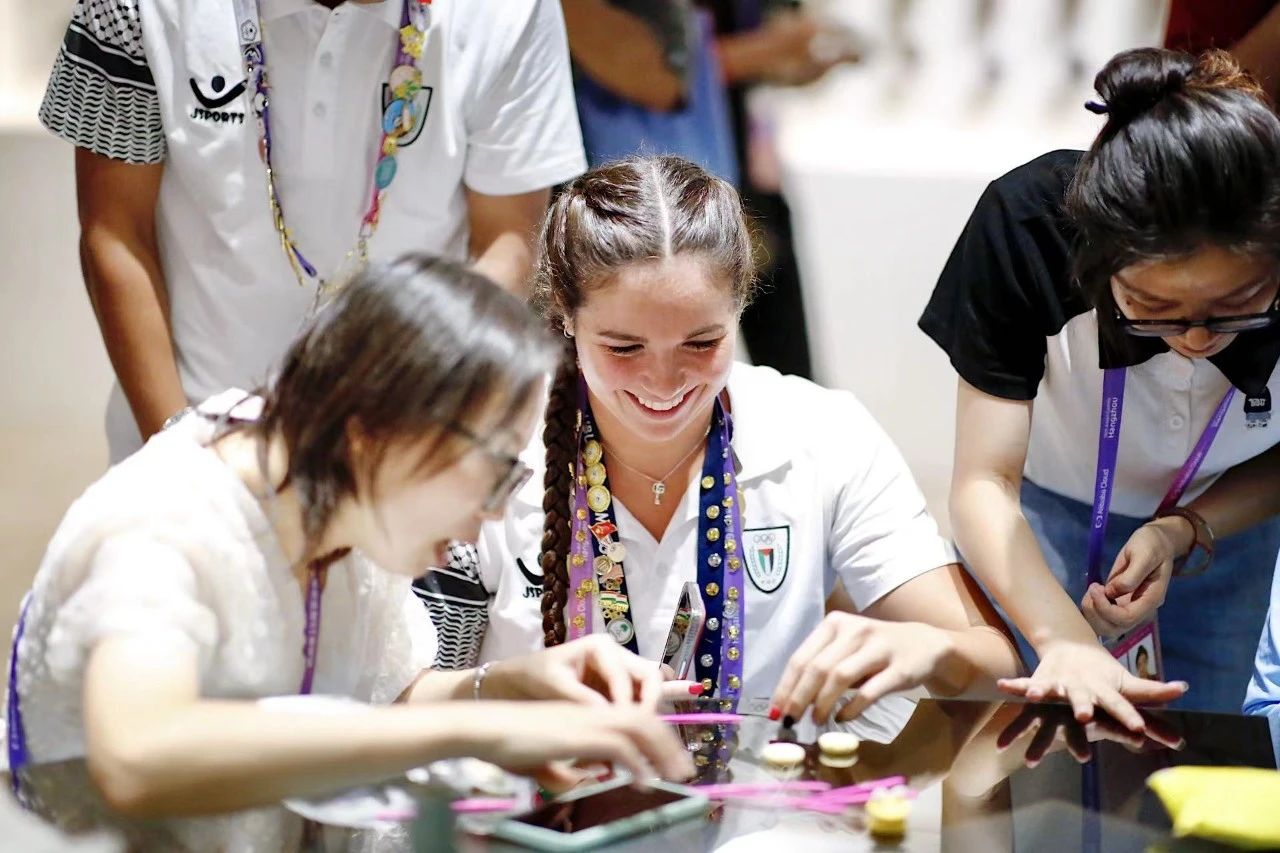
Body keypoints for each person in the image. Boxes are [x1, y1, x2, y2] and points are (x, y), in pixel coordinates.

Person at [5, 256, 691, 848]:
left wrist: (520, 683)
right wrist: (476, 730)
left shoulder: (330, 489)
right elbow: (136, 754)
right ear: (378, 430)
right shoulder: (162, 519)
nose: (490, 513)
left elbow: (376, 701)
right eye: (497, 472)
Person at [426, 155, 1024, 733]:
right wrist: (513, 691)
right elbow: (401, 690)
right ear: (564, 314)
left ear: (740, 304)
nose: (664, 383)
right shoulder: (485, 444)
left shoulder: (825, 434)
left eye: (701, 343)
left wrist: (926, 648)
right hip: (531, 817)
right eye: (624, 348)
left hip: (761, 824)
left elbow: (996, 659)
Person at [39, 0, 587, 463]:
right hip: (184, 436)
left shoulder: (511, 10)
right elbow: (114, 231)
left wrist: (415, 443)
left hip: (407, 454)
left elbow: (505, 242)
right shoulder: (132, 8)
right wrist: (179, 454)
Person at [920, 47, 1280, 721]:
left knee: (1202, 753)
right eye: (1153, 309)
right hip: (1042, 528)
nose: (1197, 339)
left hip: (1231, 533)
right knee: (1032, 752)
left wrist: (1184, 530)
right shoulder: (1027, 226)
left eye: (1239, 305)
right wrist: (1062, 638)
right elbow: (982, 483)